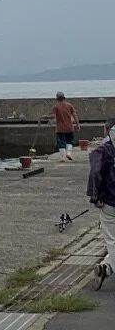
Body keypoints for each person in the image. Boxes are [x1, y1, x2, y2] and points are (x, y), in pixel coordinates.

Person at [88, 118, 115, 290]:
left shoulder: (103, 151)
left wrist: (94, 195)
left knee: (112, 239)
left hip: (109, 201)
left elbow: (95, 173)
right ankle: (106, 268)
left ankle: (107, 267)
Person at [51, 92, 80, 162]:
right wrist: (78, 125)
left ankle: (63, 157)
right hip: (69, 127)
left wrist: (47, 118)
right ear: (64, 98)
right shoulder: (69, 105)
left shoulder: (55, 107)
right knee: (69, 141)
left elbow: (53, 117)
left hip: (60, 129)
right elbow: (75, 115)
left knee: (61, 143)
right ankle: (68, 153)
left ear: (57, 98)